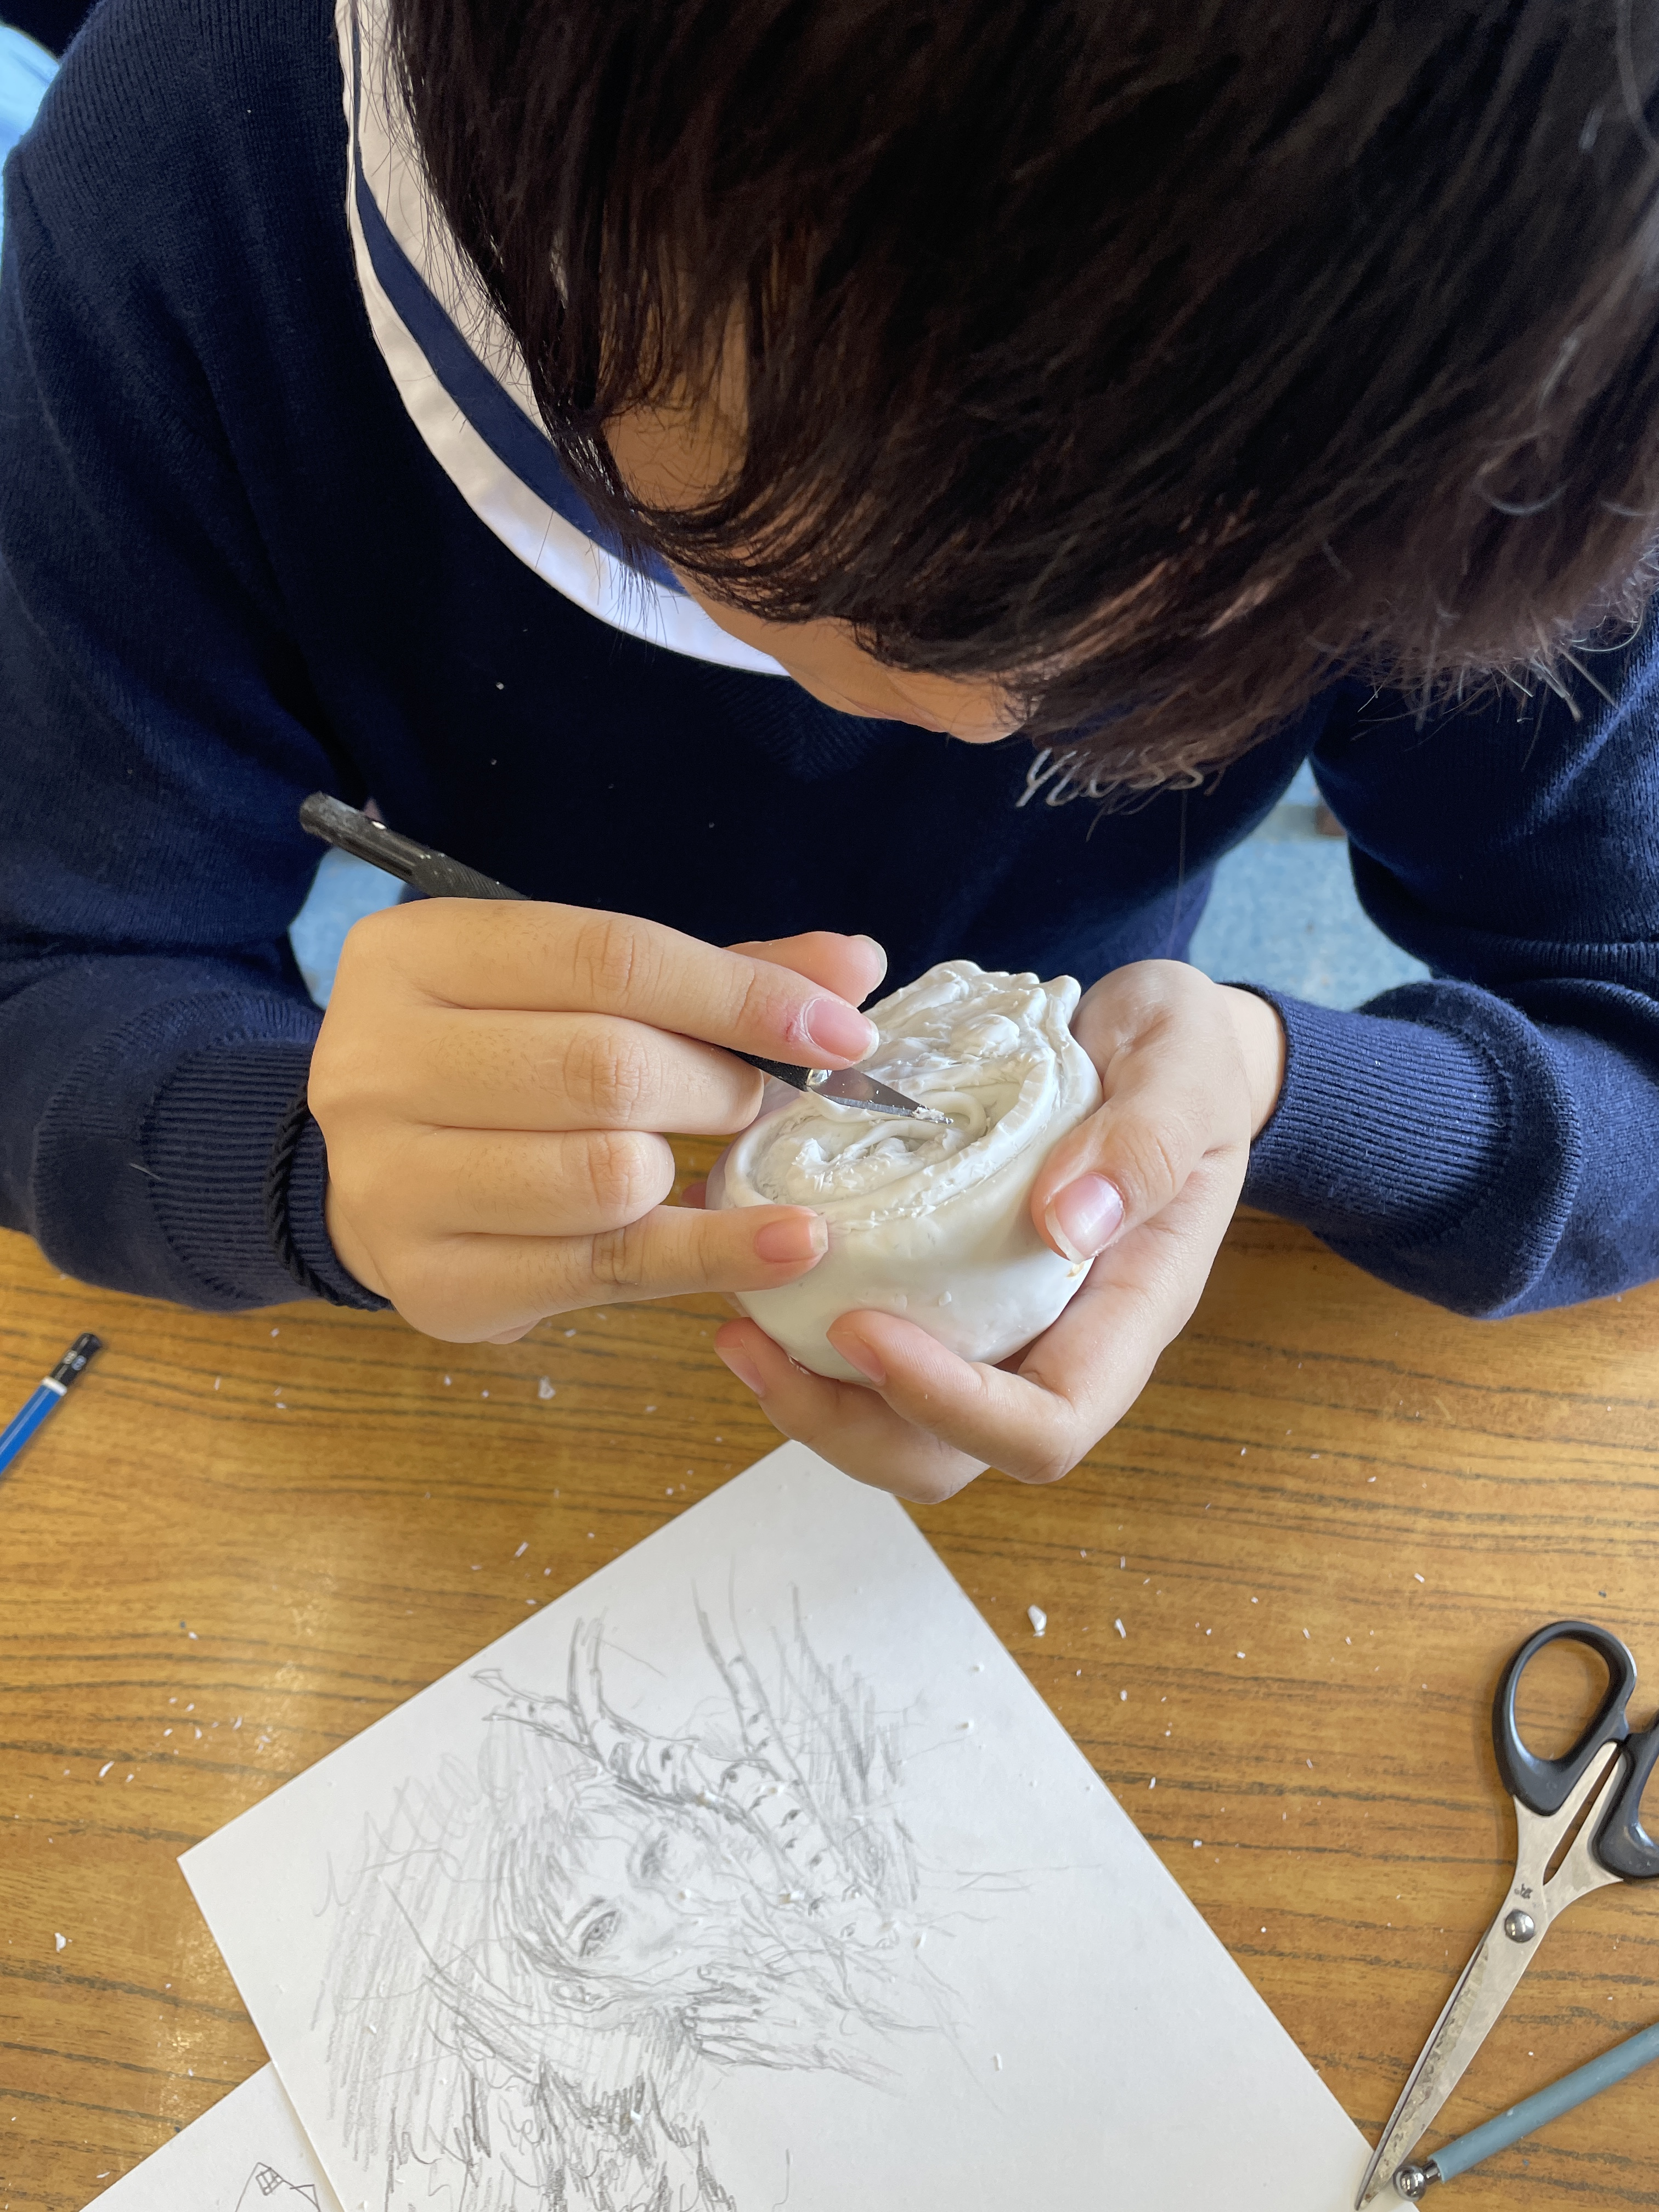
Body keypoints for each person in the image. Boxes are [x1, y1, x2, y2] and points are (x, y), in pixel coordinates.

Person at [3, 0, 1657, 1505]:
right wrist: (307, 1159)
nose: (1002, 725)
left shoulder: (1525, 333)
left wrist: (1279, 1090)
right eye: (898, 593)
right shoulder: (209, 181)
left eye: (1205, 645)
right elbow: (50, 970)